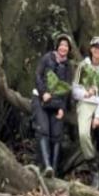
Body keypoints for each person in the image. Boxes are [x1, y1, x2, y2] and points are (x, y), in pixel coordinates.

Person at [72, 35, 99, 189]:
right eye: (96, 47)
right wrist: (85, 94)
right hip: (85, 103)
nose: (98, 50)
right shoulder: (83, 66)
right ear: (91, 49)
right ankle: (94, 170)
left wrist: (98, 116)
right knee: (84, 134)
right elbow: (74, 88)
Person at [32, 32, 73, 176]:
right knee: (43, 130)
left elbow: (67, 87)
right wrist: (43, 93)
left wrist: (62, 107)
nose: (63, 48)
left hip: (57, 103)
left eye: (66, 46)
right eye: (61, 45)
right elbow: (38, 75)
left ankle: (54, 170)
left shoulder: (68, 66)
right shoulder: (47, 58)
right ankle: (47, 166)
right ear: (57, 46)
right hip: (41, 99)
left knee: (56, 134)